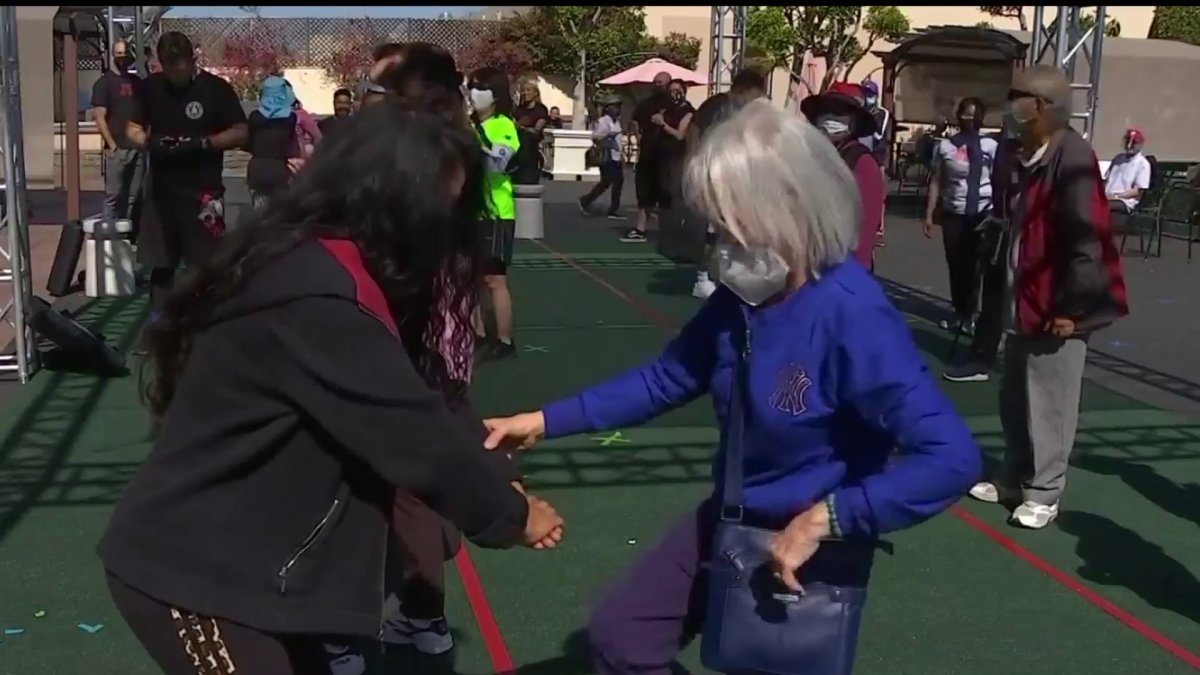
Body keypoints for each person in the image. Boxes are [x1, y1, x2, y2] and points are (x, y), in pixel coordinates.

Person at [482, 100, 980, 675]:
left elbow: (952, 458)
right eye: (713, 222)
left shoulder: (852, 314)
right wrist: (544, 420)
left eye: (730, 220)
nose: (718, 239)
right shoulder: (742, 296)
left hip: (808, 544)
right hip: (729, 516)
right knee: (621, 639)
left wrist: (830, 518)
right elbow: (668, 376)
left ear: (788, 210)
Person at [98, 101, 565, 675]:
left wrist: (496, 468)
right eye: (435, 211)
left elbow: (424, 388)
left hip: (265, 573)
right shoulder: (316, 293)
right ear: (387, 200)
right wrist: (512, 517)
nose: (443, 231)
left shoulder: (349, 268)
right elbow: (414, 437)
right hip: (196, 577)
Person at [968, 65, 1128, 530]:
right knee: (1017, 397)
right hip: (1025, 303)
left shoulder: (1072, 156)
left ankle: (1045, 489)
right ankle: (1014, 475)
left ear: (1041, 105)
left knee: (1051, 402)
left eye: (1018, 97)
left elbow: (1086, 239)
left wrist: (1071, 308)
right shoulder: (1032, 155)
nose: (1010, 106)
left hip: (1058, 308)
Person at [125, 31, 248, 318]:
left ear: (192, 61)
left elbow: (241, 132)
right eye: (170, 69)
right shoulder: (150, 88)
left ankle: (207, 323)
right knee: (161, 265)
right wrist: (147, 142)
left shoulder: (216, 89)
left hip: (204, 192)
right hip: (161, 192)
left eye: (181, 67)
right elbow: (131, 127)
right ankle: (158, 328)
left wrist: (205, 143)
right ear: (161, 64)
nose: (176, 75)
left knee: (205, 264)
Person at [684, 68, 768, 299]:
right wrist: (694, 160)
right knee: (716, 228)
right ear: (741, 90)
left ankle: (732, 274)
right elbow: (694, 129)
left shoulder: (757, 110)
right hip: (718, 173)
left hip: (745, 175)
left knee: (740, 227)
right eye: (753, 94)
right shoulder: (718, 105)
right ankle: (703, 277)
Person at [923, 97, 999, 339]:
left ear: (981, 118)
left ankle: (971, 316)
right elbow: (937, 179)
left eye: (974, 115)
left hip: (982, 211)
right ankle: (959, 312)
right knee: (956, 265)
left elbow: (1000, 179)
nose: (969, 119)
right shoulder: (946, 146)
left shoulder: (990, 145)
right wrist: (929, 213)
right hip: (953, 212)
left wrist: (999, 211)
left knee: (976, 265)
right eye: (965, 114)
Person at [465, 67, 521, 361]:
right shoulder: (469, 125)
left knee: (494, 279)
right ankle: (477, 333)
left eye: (480, 88)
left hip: (496, 212)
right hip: (471, 212)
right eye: (471, 87)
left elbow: (497, 164)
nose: (473, 94)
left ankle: (504, 338)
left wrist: (475, 142)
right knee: (471, 277)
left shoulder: (503, 125)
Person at [801, 82, 884, 272]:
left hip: (844, 269)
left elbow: (865, 228)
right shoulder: (809, 156)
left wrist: (853, 274)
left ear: (854, 121)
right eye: (826, 111)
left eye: (840, 112)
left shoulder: (862, 163)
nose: (831, 118)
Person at [91, 39, 146, 234]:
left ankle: (128, 237)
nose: (123, 58)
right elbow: (99, 117)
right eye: (119, 54)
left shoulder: (138, 83)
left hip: (137, 148)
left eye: (125, 54)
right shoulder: (104, 83)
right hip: (117, 149)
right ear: (113, 55)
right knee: (114, 195)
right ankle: (107, 237)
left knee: (134, 195)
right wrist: (112, 145)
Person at [624, 71, 673, 243]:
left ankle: (668, 231)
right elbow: (635, 120)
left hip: (667, 155)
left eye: (661, 82)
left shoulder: (675, 105)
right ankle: (640, 228)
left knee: (666, 195)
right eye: (655, 81)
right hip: (647, 153)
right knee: (644, 193)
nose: (657, 85)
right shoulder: (647, 103)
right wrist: (637, 135)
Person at [245, 76, 304, 212]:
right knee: (279, 213)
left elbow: (250, 142)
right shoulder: (290, 118)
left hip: (257, 167)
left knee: (259, 212)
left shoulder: (255, 116)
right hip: (279, 168)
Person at [578, 95, 624, 219]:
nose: (618, 109)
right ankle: (612, 209)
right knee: (613, 181)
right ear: (608, 108)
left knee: (609, 182)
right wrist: (609, 134)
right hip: (606, 155)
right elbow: (596, 136)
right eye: (615, 106)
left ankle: (587, 200)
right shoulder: (603, 121)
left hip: (615, 155)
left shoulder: (617, 122)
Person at [860, 79, 893, 244]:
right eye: (865, 94)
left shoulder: (882, 113)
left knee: (878, 192)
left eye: (870, 94)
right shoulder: (857, 111)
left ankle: (879, 227)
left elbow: (879, 134)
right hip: (860, 156)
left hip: (877, 158)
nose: (868, 98)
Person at [1104, 128, 1152, 217]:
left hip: (1125, 201)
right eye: (1127, 141)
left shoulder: (1143, 164)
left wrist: (1116, 196)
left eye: (1133, 143)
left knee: (1103, 206)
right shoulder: (1118, 158)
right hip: (1107, 196)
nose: (1129, 145)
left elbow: (1138, 191)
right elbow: (1107, 179)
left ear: (1140, 145)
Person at [513, 79, 550, 185]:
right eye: (523, 91)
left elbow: (537, 130)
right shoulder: (519, 109)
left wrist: (522, 128)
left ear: (535, 93)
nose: (525, 93)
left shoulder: (541, 110)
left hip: (532, 148)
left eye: (528, 90)